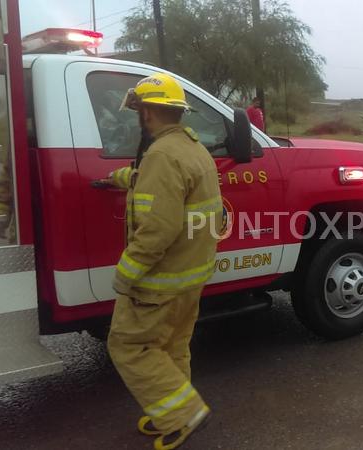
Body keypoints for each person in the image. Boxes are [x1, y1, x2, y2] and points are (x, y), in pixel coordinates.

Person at [106, 73, 223, 450]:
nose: (139, 116)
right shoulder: (193, 149)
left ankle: (183, 413)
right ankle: (169, 412)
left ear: (149, 112)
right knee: (171, 346)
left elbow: (158, 227)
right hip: (189, 277)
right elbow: (162, 189)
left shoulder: (161, 155)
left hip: (160, 281)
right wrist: (122, 178)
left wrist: (127, 274)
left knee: (130, 346)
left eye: (140, 110)